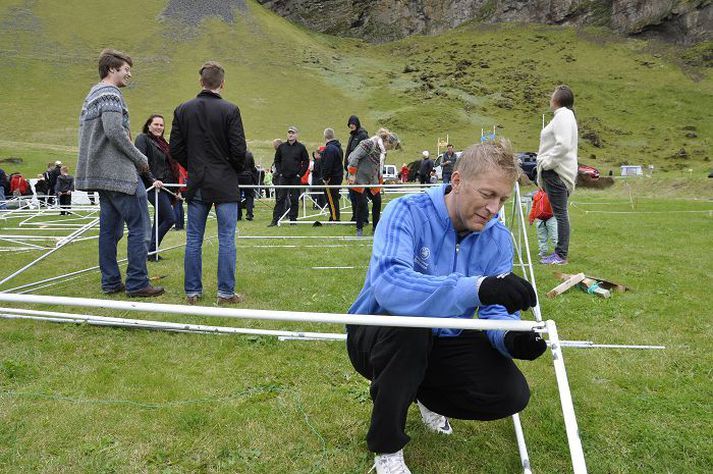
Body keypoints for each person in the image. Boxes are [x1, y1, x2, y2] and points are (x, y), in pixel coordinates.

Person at [346, 139, 544, 474]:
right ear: (457, 181)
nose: (494, 209)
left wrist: (512, 336)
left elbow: (495, 311)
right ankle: (387, 449)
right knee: (412, 328)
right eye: (487, 194)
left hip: (444, 339)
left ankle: (421, 393)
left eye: (502, 199)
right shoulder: (405, 212)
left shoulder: (497, 240)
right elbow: (390, 284)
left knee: (510, 393)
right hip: (378, 334)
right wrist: (479, 288)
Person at [76, 48, 163, 297]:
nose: (129, 74)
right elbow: (115, 132)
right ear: (112, 68)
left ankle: (111, 282)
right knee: (141, 227)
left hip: (101, 175)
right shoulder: (111, 94)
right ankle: (137, 282)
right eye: (126, 69)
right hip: (118, 173)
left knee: (110, 231)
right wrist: (140, 158)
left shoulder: (93, 93)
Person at [170, 61, 247, 305]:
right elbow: (239, 150)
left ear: (201, 81)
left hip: (198, 182)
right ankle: (225, 293)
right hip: (224, 181)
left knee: (194, 238)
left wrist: (193, 165)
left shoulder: (182, 109)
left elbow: (176, 149)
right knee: (226, 238)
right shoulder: (230, 110)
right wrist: (230, 168)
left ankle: (192, 292)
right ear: (222, 84)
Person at [536, 85, 578, 265]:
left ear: (557, 99)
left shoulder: (563, 116)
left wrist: (547, 163)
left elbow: (563, 145)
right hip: (558, 172)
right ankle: (560, 253)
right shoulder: (565, 117)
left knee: (560, 214)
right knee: (560, 213)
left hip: (557, 172)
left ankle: (560, 254)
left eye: (552, 94)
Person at [135, 114, 177, 261]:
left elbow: (168, 166)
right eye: (156, 124)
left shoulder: (164, 143)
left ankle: (152, 253)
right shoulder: (143, 139)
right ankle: (150, 251)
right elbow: (140, 161)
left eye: (161, 125)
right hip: (151, 184)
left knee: (160, 220)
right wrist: (152, 179)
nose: (159, 127)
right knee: (170, 218)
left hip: (165, 186)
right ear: (149, 125)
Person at [347, 127, 400, 237]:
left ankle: (376, 228)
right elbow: (354, 157)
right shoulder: (368, 144)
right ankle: (359, 229)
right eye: (390, 146)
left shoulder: (383, 152)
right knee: (361, 204)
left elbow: (379, 167)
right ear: (386, 141)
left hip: (372, 180)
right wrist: (352, 174)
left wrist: (380, 182)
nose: (390, 149)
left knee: (377, 201)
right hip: (358, 178)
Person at [268, 126, 309, 226]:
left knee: (295, 199)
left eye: (293, 133)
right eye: (289, 133)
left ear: (296, 135)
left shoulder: (301, 147)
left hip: (295, 177)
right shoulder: (282, 147)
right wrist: (280, 172)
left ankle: (293, 220)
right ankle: (275, 220)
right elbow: (277, 161)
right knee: (280, 198)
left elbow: (306, 161)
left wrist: (300, 174)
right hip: (284, 177)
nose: (291, 135)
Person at [346, 115, 369, 224]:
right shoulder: (352, 136)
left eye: (353, 123)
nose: (351, 125)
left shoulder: (363, 135)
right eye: (350, 124)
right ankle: (355, 216)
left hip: (359, 170)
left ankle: (363, 217)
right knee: (352, 195)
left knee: (360, 195)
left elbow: (362, 153)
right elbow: (348, 152)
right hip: (350, 168)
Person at [321, 128, 344, 221]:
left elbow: (328, 165)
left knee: (331, 198)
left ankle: (335, 218)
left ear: (325, 136)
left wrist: (326, 177)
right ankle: (334, 216)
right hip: (337, 176)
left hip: (331, 178)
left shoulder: (330, 148)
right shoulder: (338, 147)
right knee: (334, 198)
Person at [528, 188, 558, 258]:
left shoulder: (552, 192)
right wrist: (531, 218)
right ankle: (543, 251)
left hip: (551, 218)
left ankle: (558, 252)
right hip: (540, 219)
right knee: (541, 237)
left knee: (555, 236)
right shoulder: (537, 194)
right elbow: (534, 207)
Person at [238, 150, 257, 221]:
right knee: (249, 196)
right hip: (247, 177)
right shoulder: (249, 154)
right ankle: (249, 214)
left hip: (238, 177)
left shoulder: (236, 154)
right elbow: (252, 167)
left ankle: (238, 215)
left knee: (238, 197)